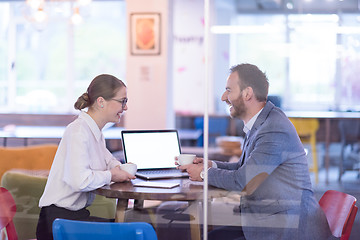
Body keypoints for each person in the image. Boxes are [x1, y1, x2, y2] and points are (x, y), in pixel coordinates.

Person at [179, 64, 335, 240]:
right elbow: (243, 167)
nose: (224, 97)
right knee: (213, 236)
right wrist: (211, 165)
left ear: (247, 93)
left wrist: (203, 174)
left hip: (290, 230)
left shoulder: (273, 128)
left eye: (229, 90)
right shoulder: (262, 123)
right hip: (274, 221)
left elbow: (244, 181)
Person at [36, 74, 136, 240]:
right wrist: (112, 175)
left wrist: (120, 168)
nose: (125, 108)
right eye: (123, 101)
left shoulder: (94, 131)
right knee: (128, 232)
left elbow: (109, 162)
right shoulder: (78, 131)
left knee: (128, 226)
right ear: (101, 101)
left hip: (73, 217)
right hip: (57, 222)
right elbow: (80, 180)